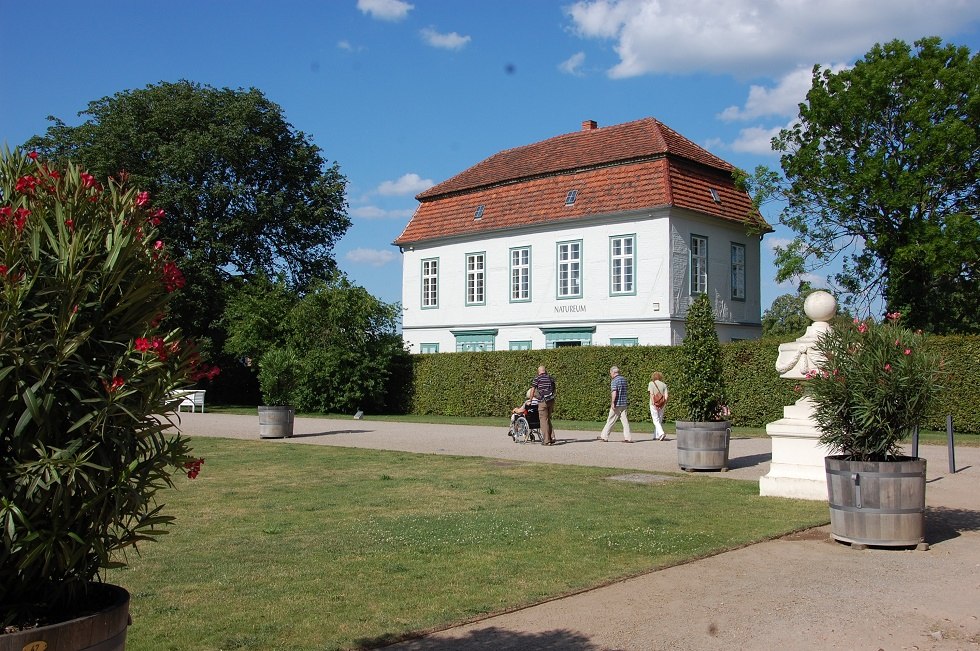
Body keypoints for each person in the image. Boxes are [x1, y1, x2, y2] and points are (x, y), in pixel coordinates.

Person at [598, 366, 633, 443]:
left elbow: (614, 392)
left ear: (613, 372)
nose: (610, 374)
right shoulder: (624, 379)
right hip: (623, 403)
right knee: (625, 422)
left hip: (617, 404)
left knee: (610, 420)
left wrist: (612, 402)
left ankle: (604, 436)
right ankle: (628, 438)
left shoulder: (614, 380)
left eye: (610, 373)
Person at [532, 365, 557, 445]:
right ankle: (552, 437)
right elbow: (553, 388)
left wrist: (530, 399)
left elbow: (533, 389)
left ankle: (546, 441)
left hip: (543, 401)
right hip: (551, 400)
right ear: (545, 371)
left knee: (543, 420)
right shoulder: (550, 378)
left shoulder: (537, 378)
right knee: (547, 418)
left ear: (538, 372)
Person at [648, 371, 669, 441]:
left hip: (653, 404)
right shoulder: (664, 385)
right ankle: (656, 435)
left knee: (655, 420)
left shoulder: (651, 384)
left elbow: (651, 394)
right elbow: (666, 396)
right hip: (662, 404)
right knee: (659, 420)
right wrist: (663, 404)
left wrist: (654, 403)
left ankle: (661, 433)